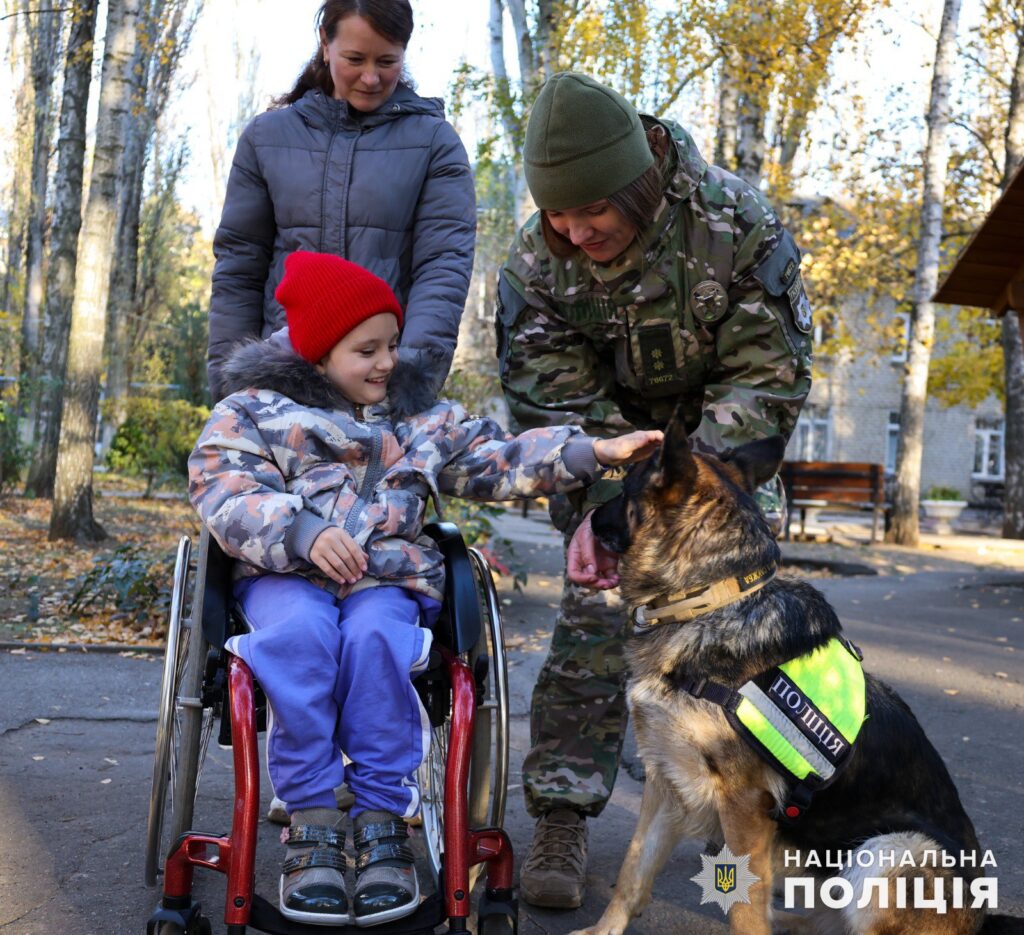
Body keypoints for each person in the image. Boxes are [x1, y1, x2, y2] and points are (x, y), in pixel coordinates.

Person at [188, 251, 662, 927]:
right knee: (298, 637)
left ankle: (383, 811)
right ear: (319, 350)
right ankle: (314, 815)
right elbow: (222, 486)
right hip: (283, 575)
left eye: (391, 344)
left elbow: (500, 458)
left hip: (385, 578)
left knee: (379, 639)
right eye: (367, 348)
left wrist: (589, 454)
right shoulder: (253, 413)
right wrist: (297, 530)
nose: (386, 362)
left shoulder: (419, 418)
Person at [495, 72, 814, 909]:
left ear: (633, 179)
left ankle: (785, 815)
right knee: (594, 623)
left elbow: (769, 377)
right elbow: (543, 381)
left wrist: (684, 486)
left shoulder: (736, 225)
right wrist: (607, 488)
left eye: (590, 210)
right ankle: (564, 810)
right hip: (616, 471)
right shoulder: (539, 258)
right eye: (559, 213)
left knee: (753, 646)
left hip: (721, 476)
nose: (574, 228)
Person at [208, 0, 475, 405]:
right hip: (280, 388)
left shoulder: (435, 144)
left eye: (387, 61)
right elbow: (239, 268)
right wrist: (231, 385)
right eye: (355, 58)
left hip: (382, 386)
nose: (371, 77)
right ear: (325, 43)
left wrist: (410, 379)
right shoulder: (266, 138)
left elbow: (443, 267)